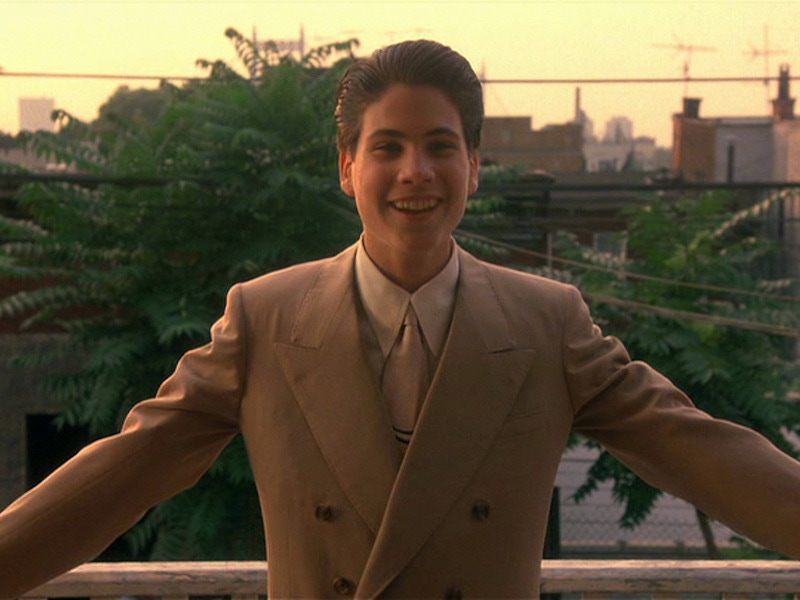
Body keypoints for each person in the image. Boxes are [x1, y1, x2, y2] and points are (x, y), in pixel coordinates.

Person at [1, 39, 800, 600]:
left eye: (440, 146)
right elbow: (126, 470)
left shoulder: (548, 322)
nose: (415, 172)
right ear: (347, 165)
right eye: (387, 147)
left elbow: (698, 451)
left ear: (474, 167)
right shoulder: (265, 319)